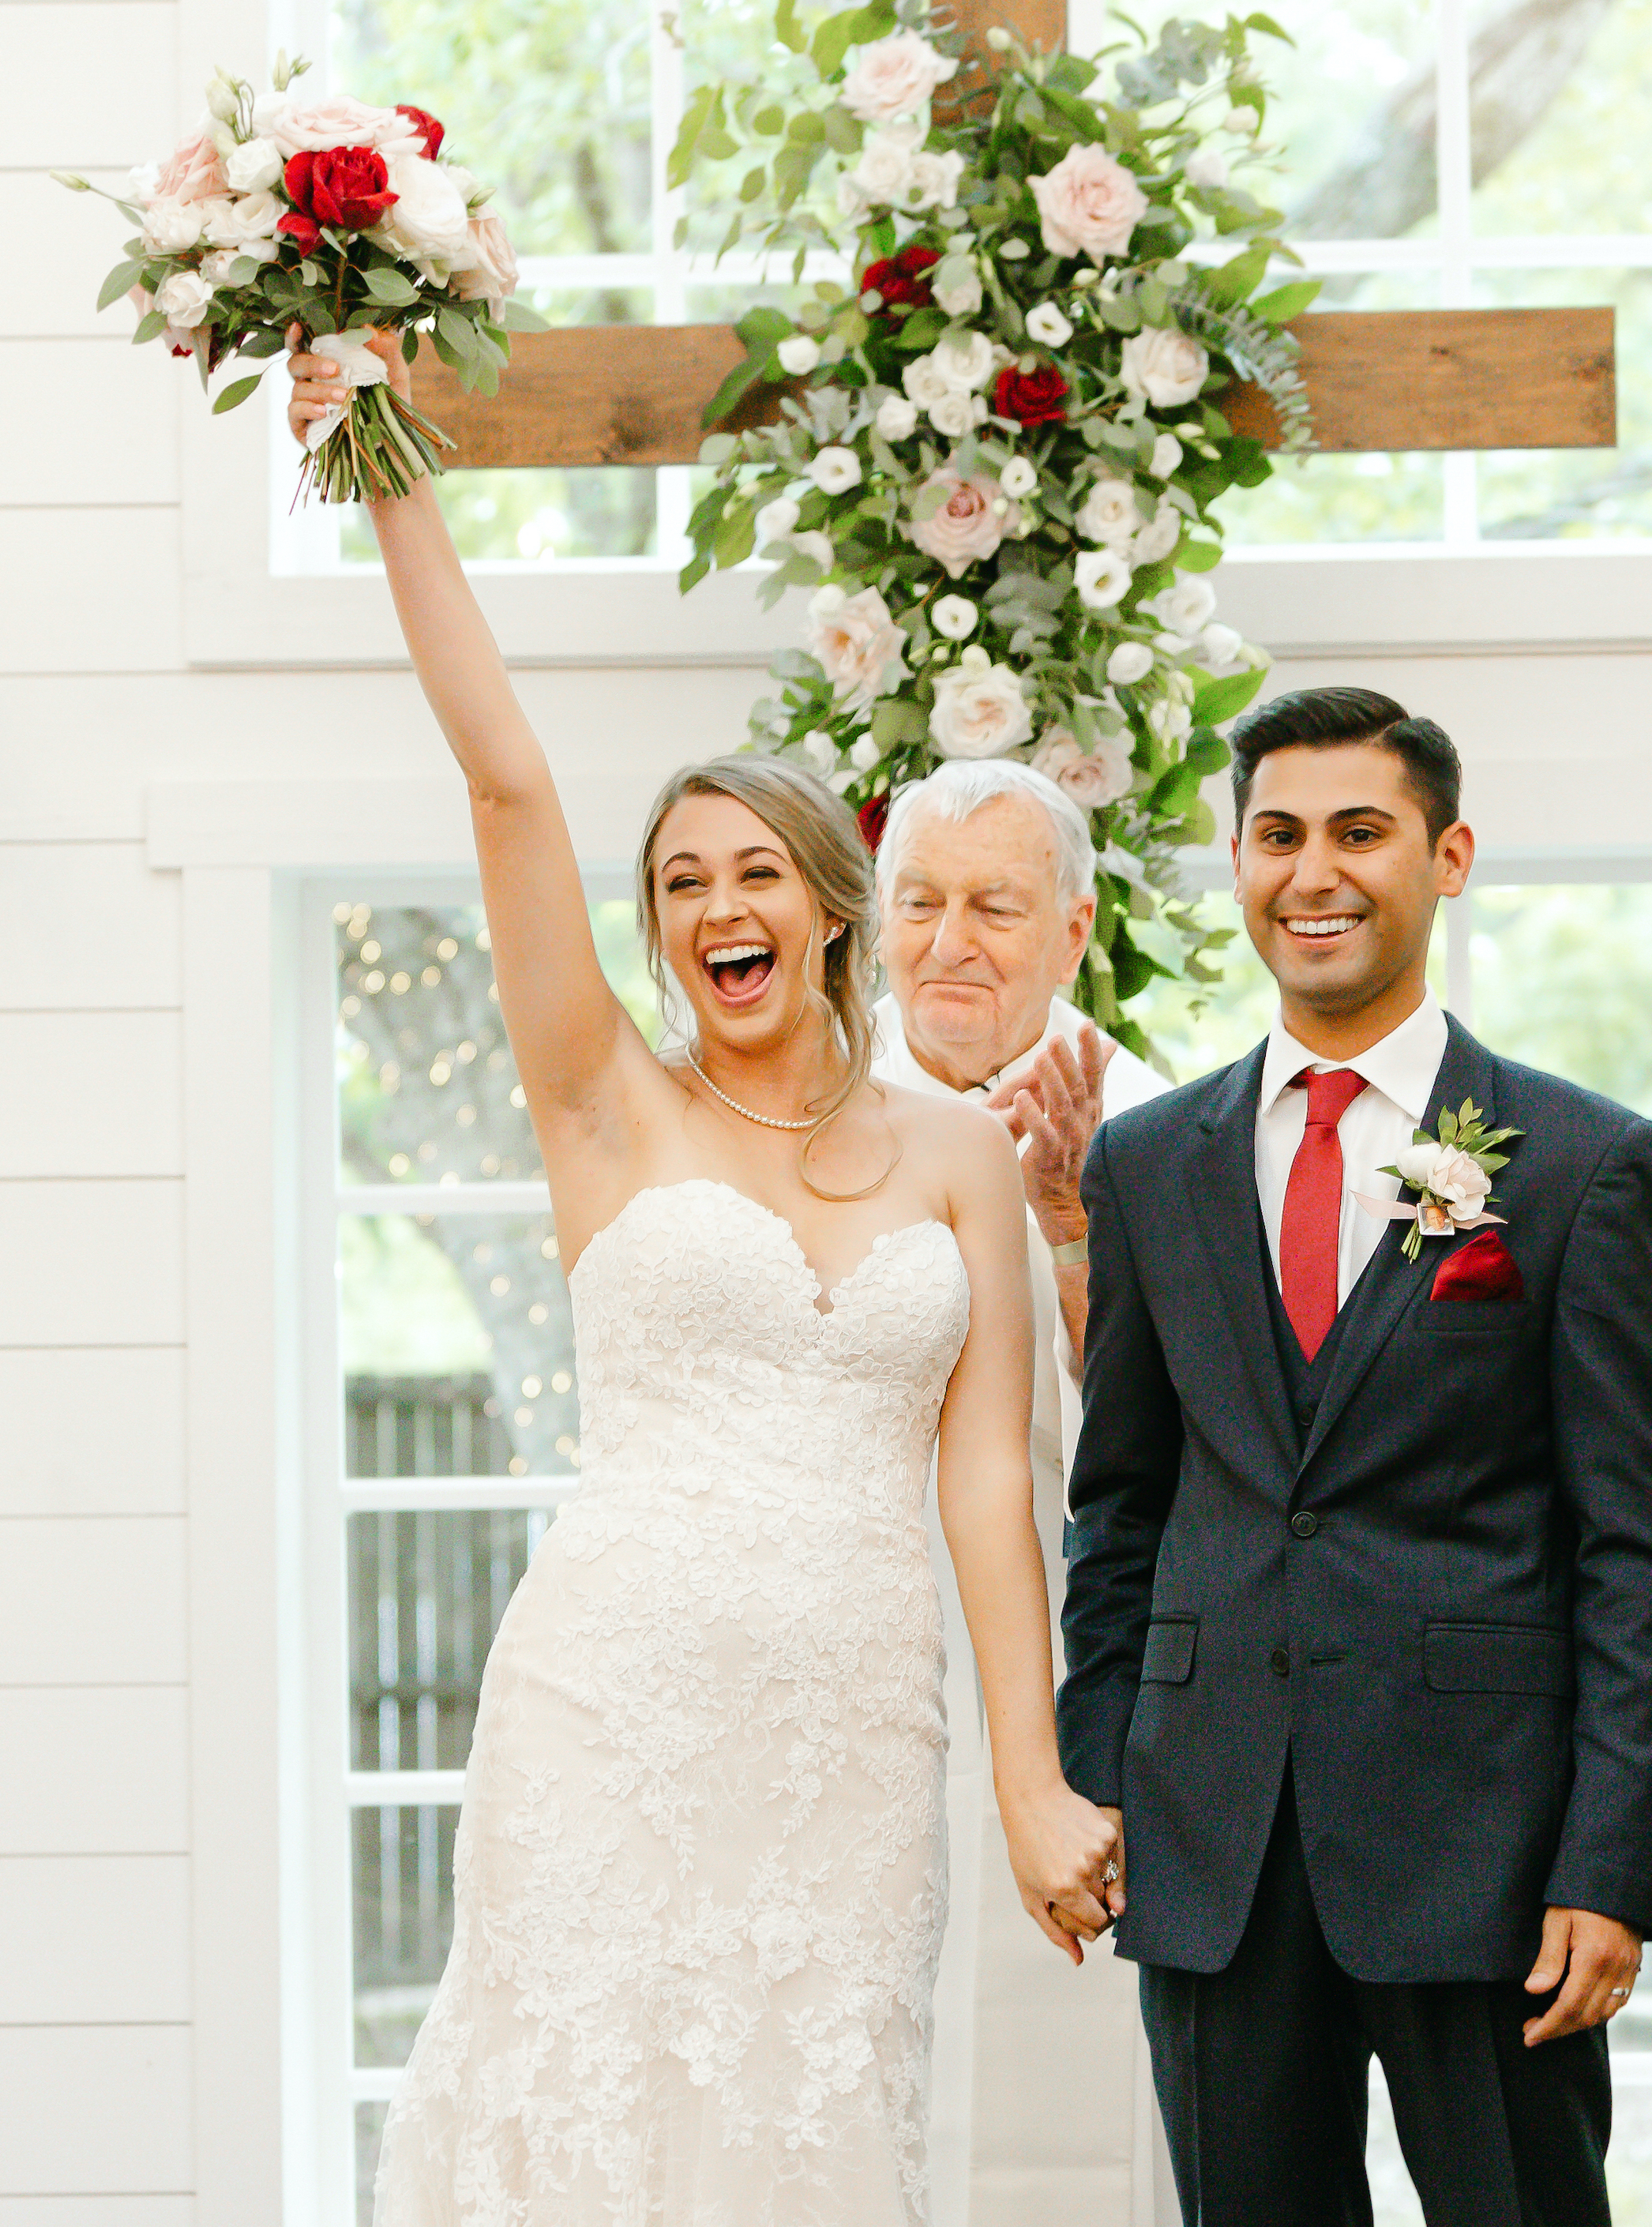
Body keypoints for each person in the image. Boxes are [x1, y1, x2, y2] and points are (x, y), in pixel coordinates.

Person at [287, 332, 1122, 2225]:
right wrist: (387, 463)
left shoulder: (960, 1154)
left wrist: (1031, 1781)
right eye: (678, 882)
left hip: (853, 1725)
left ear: (830, 906)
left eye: (753, 873)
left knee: (808, 2142)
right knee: (577, 2125)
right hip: (611, 1697)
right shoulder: (607, 1105)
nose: (714, 909)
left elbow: (985, 1491)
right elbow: (505, 788)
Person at [1057, 686, 1652, 2225]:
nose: (1313, 872)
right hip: (1210, 1847)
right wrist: (1097, 1784)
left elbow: (1636, 1551)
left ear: (1446, 854)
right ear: (1235, 864)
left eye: (1359, 832)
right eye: (1276, 835)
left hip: (1488, 1855)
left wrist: (1607, 1864)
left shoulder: (1577, 1165)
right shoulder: (1145, 1166)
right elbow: (1121, 1509)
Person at [868, 761, 1166, 2214]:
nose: (950, 942)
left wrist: (1071, 1229)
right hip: (853, 1658)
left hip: (1086, 1674)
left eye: (996, 905)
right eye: (920, 902)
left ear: (1075, 927)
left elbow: (1183, 1446)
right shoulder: (808, 1120)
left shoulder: (1169, 1134)